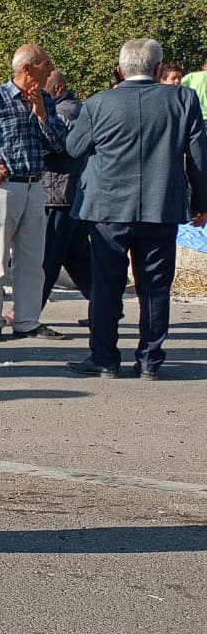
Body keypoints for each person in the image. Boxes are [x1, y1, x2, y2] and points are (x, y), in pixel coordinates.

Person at [65, 38, 207, 380]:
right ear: (158, 69)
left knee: (106, 285)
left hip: (107, 208)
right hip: (161, 206)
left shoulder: (98, 103)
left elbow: (73, 148)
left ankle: (104, 358)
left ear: (119, 70)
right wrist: (201, 203)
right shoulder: (183, 99)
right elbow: (199, 157)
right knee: (155, 287)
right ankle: (149, 361)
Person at [0, 44, 70, 341]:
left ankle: (27, 320)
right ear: (27, 69)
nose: (51, 70)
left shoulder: (45, 99)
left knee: (31, 260)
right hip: (1, 189)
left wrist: (42, 115)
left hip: (35, 186)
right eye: (46, 64)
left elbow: (59, 144)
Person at [40, 70, 92, 308]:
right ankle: (105, 305)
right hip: (73, 192)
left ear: (58, 89)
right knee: (76, 254)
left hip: (57, 193)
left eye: (43, 88)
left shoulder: (64, 113)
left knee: (48, 255)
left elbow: (52, 147)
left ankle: (28, 309)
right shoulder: (77, 110)